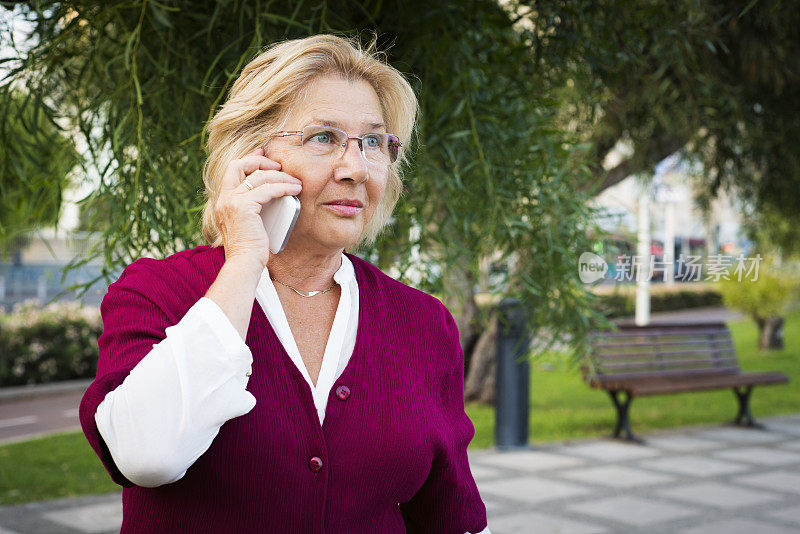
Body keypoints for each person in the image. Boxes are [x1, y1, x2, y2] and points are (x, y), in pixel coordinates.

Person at [79, 34, 490, 533]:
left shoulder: (425, 322)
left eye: (374, 142)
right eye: (324, 137)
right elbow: (145, 455)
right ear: (252, 155)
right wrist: (246, 259)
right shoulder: (157, 292)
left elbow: (448, 517)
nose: (356, 169)